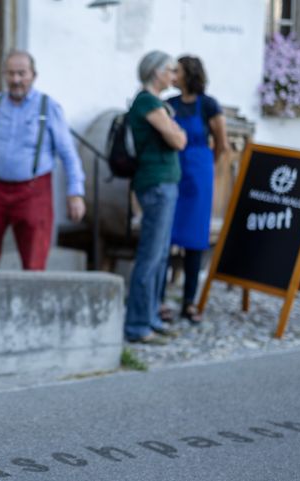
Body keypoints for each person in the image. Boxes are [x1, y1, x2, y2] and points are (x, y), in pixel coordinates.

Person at [0, 50, 86, 270]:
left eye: (22, 73)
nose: (16, 80)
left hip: (33, 190)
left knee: (34, 259)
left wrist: (75, 192)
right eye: (11, 74)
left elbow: (68, 153)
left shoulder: (48, 106)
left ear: (33, 75)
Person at [123, 51, 187, 344]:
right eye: (170, 70)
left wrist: (174, 129)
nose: (174, 75)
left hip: (163, 184)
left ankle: (149, 317)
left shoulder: (156, 103)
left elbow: (177, 137)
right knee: (151, 256)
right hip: (156, 184)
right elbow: (178, 140)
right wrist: (175, 130)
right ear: (156, 72)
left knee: (160, 256)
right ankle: (137, 325)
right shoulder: (147, 101)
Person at [161, 55, 229, 324]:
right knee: (165, 237)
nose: (173, 75)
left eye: (177, 70)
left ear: (189, 74)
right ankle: (160, 299)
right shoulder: (170, 104)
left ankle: (189, 301)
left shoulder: (209, 105)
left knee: (194, 239)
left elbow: (221, 143)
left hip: (199, 174)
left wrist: (207, 166)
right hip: (173, 171)